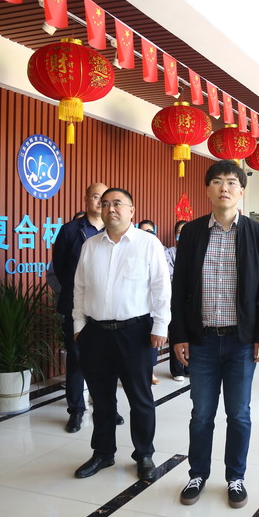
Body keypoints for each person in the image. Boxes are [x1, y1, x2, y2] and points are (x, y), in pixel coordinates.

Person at [170, 160, 259, 509]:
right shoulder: (193, 232)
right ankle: (197, 473)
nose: (224, 188)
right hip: (201, 340)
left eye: (231, 182)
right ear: (208, 190)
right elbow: (180, 288)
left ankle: (235, 476)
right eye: (217, 182)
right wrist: (179, 335)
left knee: (239, 414)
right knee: (201, 414)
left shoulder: (256, 233)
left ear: (241, 191)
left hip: (240, 341)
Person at [72, 188, 171, 480]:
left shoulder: (148, 243)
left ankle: (144, 455)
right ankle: (103, 453)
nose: (110, 208)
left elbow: (161, 287)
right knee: (101, 398)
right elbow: (79, 288)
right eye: (105, 204)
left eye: (117, 203)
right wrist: (79, 325)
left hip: (136, 332)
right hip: (95, 332)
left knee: (140, 398)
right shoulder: (90, 245)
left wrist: (160, 325)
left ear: (131, 210)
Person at [52, 182, 107, 433]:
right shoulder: (70, 230)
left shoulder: (115, 229)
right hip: (76, 304)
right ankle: (76, 410)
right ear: (86, 199)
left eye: (104, 198)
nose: (100, 202)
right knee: (76, 357)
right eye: (95, 196)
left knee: (107, 358)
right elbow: (60, 267)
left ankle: (106, 407)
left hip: (108, 306)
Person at [138, 219, 162, 386]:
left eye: (149, 231)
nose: (146, 234)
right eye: (142, 231)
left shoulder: (158, 250)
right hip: (136, 308)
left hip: (152, 307)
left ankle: (150, 371)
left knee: (151, 343)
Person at [165, 220, 188, 381]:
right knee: (176, 331)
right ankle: (177, 370)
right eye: (180, 232)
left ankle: (189, 366)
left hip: (193, 300)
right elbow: (169, 275)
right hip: (175, 298)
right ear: (175, 235)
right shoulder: (170, 253)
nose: (183, 234)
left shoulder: (198, 251)